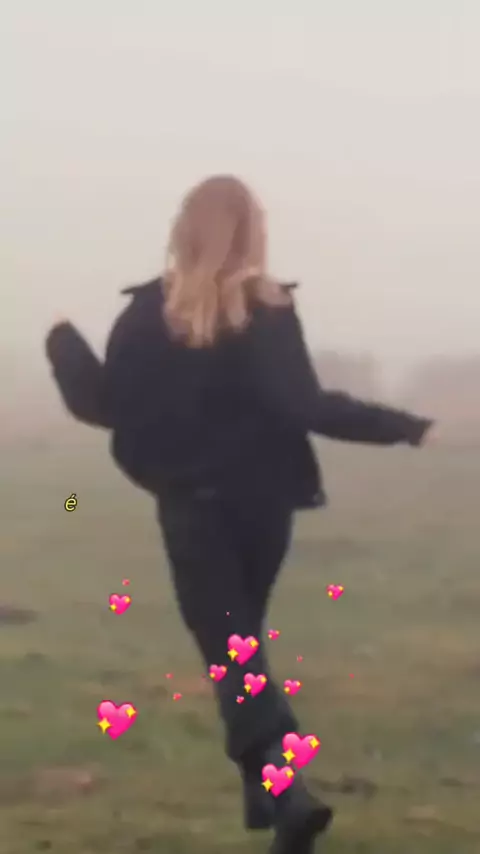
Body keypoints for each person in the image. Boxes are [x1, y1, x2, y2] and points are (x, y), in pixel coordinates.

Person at [46, 174, 434, 854]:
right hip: (264, 509)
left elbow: (105, 405)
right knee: (239, 648)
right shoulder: (268, 308)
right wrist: (403, 427)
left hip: (193, 510)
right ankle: (272, 802)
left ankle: (287, 798)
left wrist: (62, 346)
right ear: (252, 233)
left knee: (232, 655)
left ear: (183, 229)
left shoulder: (148, 316)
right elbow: (306, 405)